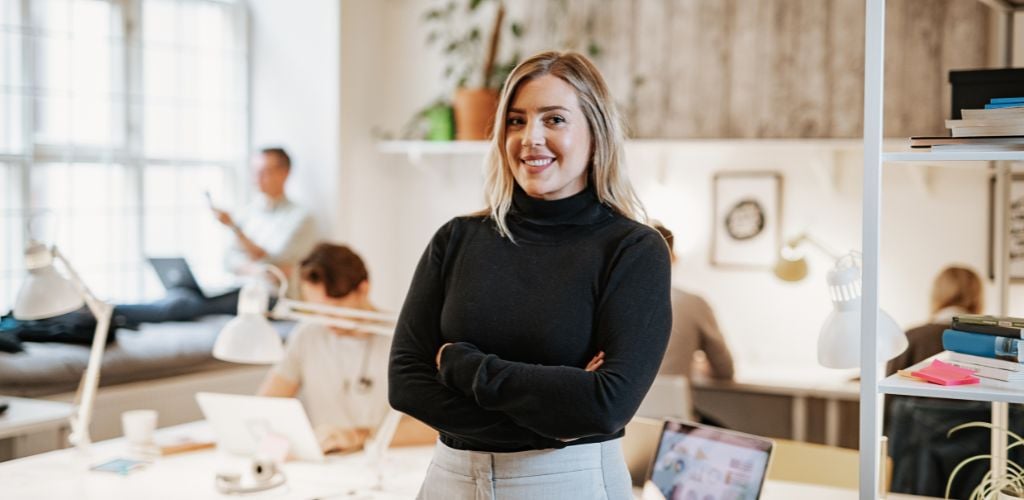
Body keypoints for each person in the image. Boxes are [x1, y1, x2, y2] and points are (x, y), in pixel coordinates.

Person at [388, 51, 672, 499]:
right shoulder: (457, 239)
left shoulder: (632, 249)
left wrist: (462, 365)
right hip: (451, 477)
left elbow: (606, 405)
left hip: (567, 480)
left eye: (554, 120)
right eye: (516, 121)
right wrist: (550, 420)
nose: (530, 138)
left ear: (595, 133)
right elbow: (406, 383)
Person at [258, 243, 435, 452]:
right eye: (317, 309)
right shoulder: (307, 334)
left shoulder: (406, 338)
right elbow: (266, 408)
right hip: (328, 464)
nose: (327, 320)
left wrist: (359, 436)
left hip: (388, 463)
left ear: (363, 288)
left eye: (336, 307)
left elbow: (436, 428)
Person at [212, 147, 318, 286]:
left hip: (271, 296)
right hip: (238, 288)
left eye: (264, 172)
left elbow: (273, 262)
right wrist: (259, 271)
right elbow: (228, 260)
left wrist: (234, 228)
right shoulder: (248, 212)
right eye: (255, 172)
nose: (257, 179)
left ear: (285, 173)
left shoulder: (300, 217)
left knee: (183, 303)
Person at [652, 223, 734, 381]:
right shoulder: (692, 303)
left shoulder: (615, 303)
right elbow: (724, 369)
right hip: (670, 403)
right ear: (673, 257)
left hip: (625, 404)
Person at [885, 265, 984, 375]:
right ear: (977, 298)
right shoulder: (996, 344)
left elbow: (888, 389)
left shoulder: (909, 339)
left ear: (936, 294)